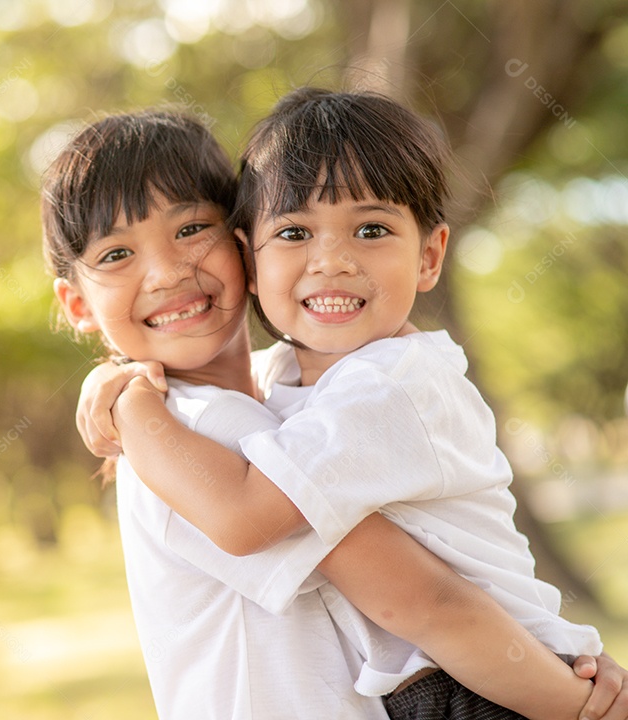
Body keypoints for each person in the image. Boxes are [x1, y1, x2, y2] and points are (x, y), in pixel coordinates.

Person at [44, 108, 627, 720]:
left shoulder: (289, 389)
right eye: (115, 255)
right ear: (76, 303)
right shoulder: (200, 431)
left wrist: (122, 394)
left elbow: (434, 599)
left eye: (191, 230)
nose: (167, 271)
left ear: (243, 247)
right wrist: (573, 700)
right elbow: (419, 597)